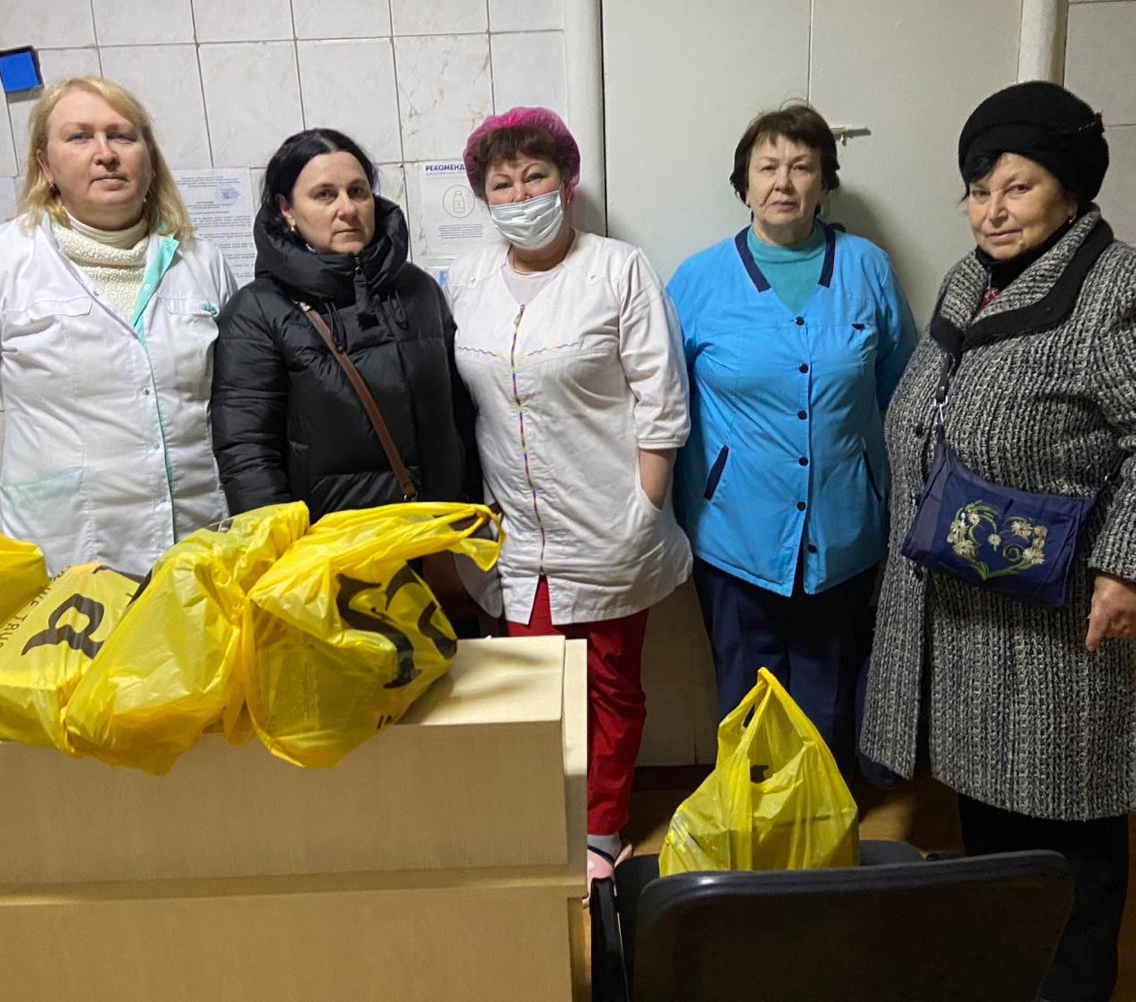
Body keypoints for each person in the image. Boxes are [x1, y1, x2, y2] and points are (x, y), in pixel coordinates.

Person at [860, 81, 1136, 1002]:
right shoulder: (970, 279)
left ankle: (1069, 985)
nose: (993, 209)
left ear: (1070, 192)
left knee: (1065, 812)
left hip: (1056, 613)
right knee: (992, 803)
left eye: (1017, 187)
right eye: (979, 189)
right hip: (965, 593)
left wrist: (1135, 571)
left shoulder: (1128, 292)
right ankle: (1009, 967)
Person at [444, 107, 691, 894]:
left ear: (567, 182)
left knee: (609, 683)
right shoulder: (467, 280)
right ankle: (540, 817)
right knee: (532, 684)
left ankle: (601, 826)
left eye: (536, 176)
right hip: (514, 527)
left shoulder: (619, 269)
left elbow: (661, 401)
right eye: (503, 184)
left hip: (608, 520)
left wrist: (644, 509)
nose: (521, 196)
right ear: (485, 198)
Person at [667, 102, 916, 784]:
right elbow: (662, 406)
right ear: (743, 184)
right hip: (733, 533)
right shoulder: (697, 281)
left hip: (844, 531)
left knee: (828, 697)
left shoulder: (867, 268)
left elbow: (906, 391)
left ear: (824, 182)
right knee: (746, 699)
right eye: (767, 167)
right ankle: (753, 824)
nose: (783, 181)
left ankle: (824, 824)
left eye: (802, 167)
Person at [0, 76, 237, 576]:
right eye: (79, 137)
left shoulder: (202, 262)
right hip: (64, 557)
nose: (105, 154)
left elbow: (240, 405)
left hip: (201, 546)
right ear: (46, 165)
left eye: (122, 136)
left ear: (150, 158)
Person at [210, 129, 474, 522]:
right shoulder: (258, 312)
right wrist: (282, 546)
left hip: (438, 536)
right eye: (324, 195)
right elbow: (248, 454)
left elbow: (461, 418)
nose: (347, 209)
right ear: (286, 209)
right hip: (332, 546)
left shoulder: (417, 289)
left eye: (357, 191)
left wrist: (470, 517)